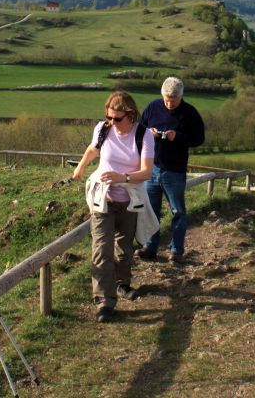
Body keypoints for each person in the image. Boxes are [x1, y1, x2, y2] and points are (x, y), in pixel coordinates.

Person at [72, 91, 158, 323]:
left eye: (117, 119)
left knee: (123, 247)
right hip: (103, 199)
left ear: (130, 115)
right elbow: (93, 149)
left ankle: (122, 284)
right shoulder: (103, 129)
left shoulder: (144, 135)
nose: (112, 123)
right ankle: (104, 301)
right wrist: (81, 167)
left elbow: (147, 172)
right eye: (109, 117)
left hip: (129, 200)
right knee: (101, 250)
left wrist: (122, 178)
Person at [137, 77, 205, 263]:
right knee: (151, 210)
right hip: (151, 168)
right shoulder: (153, 107)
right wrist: (148, 133)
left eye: (172, 101)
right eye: (166, 100)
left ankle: (176, 251)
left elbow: (199, 138)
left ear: (180, 97)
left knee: (178, 212)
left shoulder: (190, 113)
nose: (168, 104)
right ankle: (150, 247)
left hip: (174, 170)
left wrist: (178, 137)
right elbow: (139, 130)